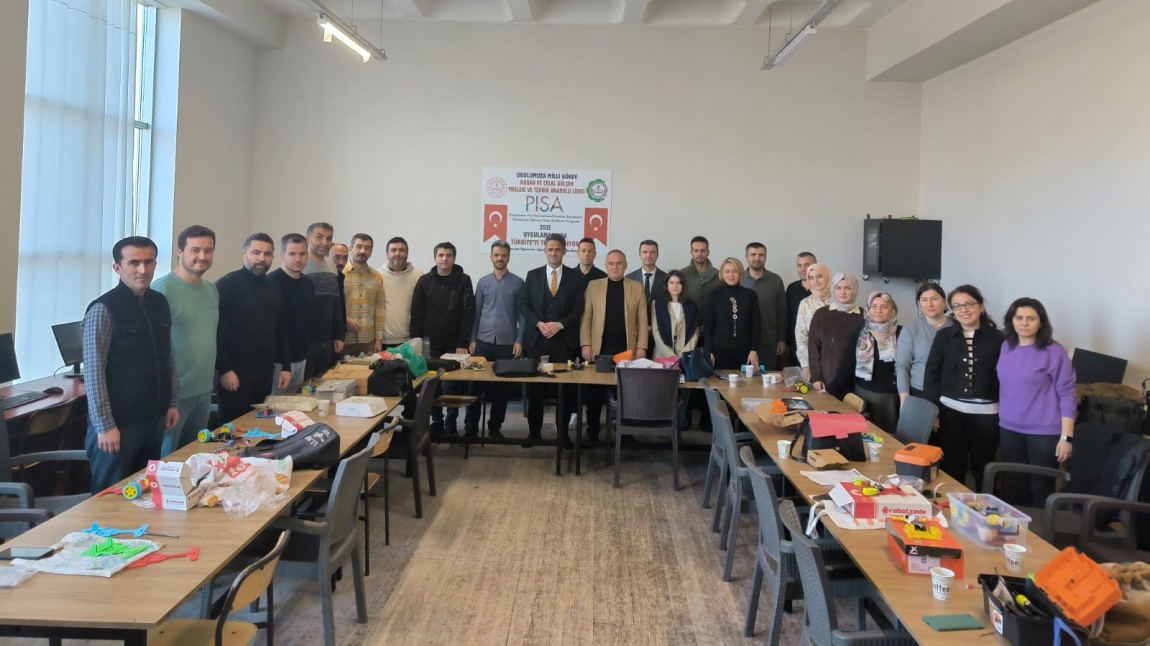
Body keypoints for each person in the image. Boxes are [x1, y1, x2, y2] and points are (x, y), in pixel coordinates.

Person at [82, 236, 179, 493]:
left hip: (154, 419)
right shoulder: (103, 309)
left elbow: (167, 355)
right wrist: (105, 426)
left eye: (149, 262)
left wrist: (172, 401)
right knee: (109, 500)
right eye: (134, 263)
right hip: (118, 426)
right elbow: (93, 372)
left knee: (144, 494)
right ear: (118, 267)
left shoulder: (160, 303)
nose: (142, 270)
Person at [923, 285, 1004, 492]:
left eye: (969, 304)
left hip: (987, 416)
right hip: (951, 414)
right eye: (957, 306)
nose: (963, 310)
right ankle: (953, 507)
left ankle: (985, 508)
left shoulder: (999, 339)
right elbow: (932, 375)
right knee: (953, 467)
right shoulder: (944, 336)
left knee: (983, 469)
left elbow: (1007, 378)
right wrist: (933, 413)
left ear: (981, 307)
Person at [996, 297, 1076, 507]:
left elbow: (1068, 394)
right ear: (1011, 321)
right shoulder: (1007, 346)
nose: (1024, 323)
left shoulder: (1054, 351)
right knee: (1014, 485)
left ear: (1041, 322)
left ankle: (1041, 529)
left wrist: (1066, 437)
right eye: (1019, 318)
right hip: (1009, 429)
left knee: (1041, 487)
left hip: (1044, 433)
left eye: (1031, 318)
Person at [152, 225, 218, 453]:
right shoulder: (161, 291)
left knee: (194, 459)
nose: (203, 256)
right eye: (195, 250)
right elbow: (153, 349)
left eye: (208, 250)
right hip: (174, 397)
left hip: (204, 391)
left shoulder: (211, 290)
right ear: (180, 252)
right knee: (167, 462)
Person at [215, 233, 292, 423]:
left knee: (257, 426)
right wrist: (224, 369)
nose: (261, 258)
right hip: (234, 375)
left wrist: (286, 366)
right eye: (256, 252)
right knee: (232, 429)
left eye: (267, 254)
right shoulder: (226, 285)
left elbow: (281, 328)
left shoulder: (274, 287)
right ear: (244, 255)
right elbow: (216, 331)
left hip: (264, 373)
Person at [519, 233, 584, 449]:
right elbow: (524, 305)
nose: (553, 253)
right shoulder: (533, 275)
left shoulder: (575, 278)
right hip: (537, 339)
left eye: (557, 249)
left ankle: (563, 434)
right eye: (550, 249)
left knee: (564, 389)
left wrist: (560, 324)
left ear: (564, 251)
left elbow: (579, 308)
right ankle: (534, 432)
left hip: (563, 341)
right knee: (535, 389)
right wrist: (539, 323)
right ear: (544, 251)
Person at [580, 249, 649, 443]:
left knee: (625, 392)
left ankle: (625, 432)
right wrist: (586, 344)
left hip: (626, 350)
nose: (615, 267)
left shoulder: (636, 288)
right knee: (594, 393)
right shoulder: (594, 286)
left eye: (619, 263)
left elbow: (643, 320)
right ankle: (593, 431)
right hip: (599, 349)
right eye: (611, 263)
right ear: (606, 266)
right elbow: (586, 318)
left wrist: (642, 347)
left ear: (625, 265)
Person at [410, 242, 475, 436]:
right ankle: (436, 422)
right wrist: (416, 341)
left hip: (455, 344)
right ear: (435, 258)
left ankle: (451, 424)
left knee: (453, 384)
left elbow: (468, 313)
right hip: (429, 343)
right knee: (431, 384)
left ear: (454, 258)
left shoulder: (464, 280)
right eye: (440, 255)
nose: (444, 259)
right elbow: (416, 312)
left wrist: (463, 342)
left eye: (448, 255)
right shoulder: (424, 281)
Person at [464, 240, 524, 439]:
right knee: (475, 387)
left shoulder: (518, 282)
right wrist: (472, 339)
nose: (500, 258)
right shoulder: (483, 282)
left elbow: (522, 315)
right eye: (496, 255)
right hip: (483, 342)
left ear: (508, 258)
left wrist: (519, 340)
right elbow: (476, 312)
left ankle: (495, 428)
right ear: (491, 257)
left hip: (507, 344)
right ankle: (471, 429)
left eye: (503, 255)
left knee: (502, 390)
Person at [268, 233, 314, 395]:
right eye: (292, 254)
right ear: (282, 255)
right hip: (278, 363)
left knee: (295, 405)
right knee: (275, 407)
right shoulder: (270, 283)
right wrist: (284, 365)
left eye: (302, 254)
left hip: (302, 358)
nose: (298, 259)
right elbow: (273, 328)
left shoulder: (308, 283)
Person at [807, 272, 864, 400]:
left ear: (855, 290)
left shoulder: (864, 316)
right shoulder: (821, 314)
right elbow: (813, 347)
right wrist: (816, 377)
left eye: (848, 288)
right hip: (826, 378)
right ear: (833, 289)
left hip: (855, 380)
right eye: (838, 288)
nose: (842, 292)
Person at [852, 292, 902, 433]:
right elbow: (848, 364)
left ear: (892, 310)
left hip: (891, 398)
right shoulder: (861, 332)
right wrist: (830, 390)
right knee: (864, 436)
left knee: (888, 438)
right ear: (868, 309)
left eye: (884, 307)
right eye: (873, 306)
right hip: (863, 394)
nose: (878, 310)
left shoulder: (902, 333)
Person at [896, 283, 951, 405]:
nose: (929, 304)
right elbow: (902, 366)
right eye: (924, 300)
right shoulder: (911, 329)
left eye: (934, 299)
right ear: (919, 304)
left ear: (945, 302)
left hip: (953, 392)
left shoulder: (957, 327)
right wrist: (904, 399)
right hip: (921, 392)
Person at [302, 222, 345, 377]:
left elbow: (336, 304)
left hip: (327, 341)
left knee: (322, 384)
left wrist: (339, 335)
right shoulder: (300, 265)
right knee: (304, 386)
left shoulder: (332, 267)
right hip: (305, 342)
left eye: (329, 238)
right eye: (319, 237)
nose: (325, 243)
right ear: (308, 238)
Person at [704, 258, 760, 370]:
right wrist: (709, 351)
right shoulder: (714, 295)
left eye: (735, 271)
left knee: (744, 381)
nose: (731, 275)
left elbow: (756, 325)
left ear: (740, 274)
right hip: (719, 351)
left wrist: (754, 350)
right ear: (722, 274)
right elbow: (708, 326)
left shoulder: (750, 295)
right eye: (727, 271)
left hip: (745, 352)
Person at [742, 242, 788, 370]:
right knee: (743, 379)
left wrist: (782, 339)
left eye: (761, 255)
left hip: (768, 342)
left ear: (766, 257)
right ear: (746, 257)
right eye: (753, 254)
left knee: (767, 378)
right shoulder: (738, 279)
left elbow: (782, 312)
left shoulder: (776, 280)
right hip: (743, 342)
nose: (757, 258)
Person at [342, 233, 386, 357]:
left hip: (368, 341)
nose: (362, 251)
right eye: (359, 246)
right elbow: (332, 307)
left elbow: (379, 310)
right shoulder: (340, 274)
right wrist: (344, 320)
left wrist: (378, 339)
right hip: (343, 339)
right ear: (351, 249)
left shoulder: (377, 277)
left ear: (371, 252)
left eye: (367, 248)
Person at [379, 236, 423, 348]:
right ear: (387, 253)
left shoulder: (419, 276)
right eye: (393, 250)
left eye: (401, 250)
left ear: (407, 253)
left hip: (410, 339)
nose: (397, 253)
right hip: (383, 340)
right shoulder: (378, 276)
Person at [650, 270, 700, 359]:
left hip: (685, 356)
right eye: (671, 282)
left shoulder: (691, 306)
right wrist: (669, 355)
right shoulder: (657, 304)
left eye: (678, 283)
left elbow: (695, 332)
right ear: (666, 284)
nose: (675, 286)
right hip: (662, 354)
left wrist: (685, 352)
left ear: (683, 285)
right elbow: (656, 331)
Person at [794, 262, 833, 377]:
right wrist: (806, 365)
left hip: (836, 359)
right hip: (813, 360)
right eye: (811, 278)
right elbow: (801, 336)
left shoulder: (839, 299)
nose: (815, 281)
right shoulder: (805, 303)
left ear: (827, 276)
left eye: (819, 276)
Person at [785, 252, 816, 367]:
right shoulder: (791, 288)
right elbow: (786, 316)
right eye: (799, 265)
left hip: (818, 346)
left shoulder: (825, 291)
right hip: (795, 346)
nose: (803, 269)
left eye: (807, 265)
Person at [681, 235, 721, 309]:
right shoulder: (682, 274)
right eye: (696, 251)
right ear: (691, 253)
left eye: (703, 250)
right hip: (689, 316)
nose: (699, 254)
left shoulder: (719, 275)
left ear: (708, 252)